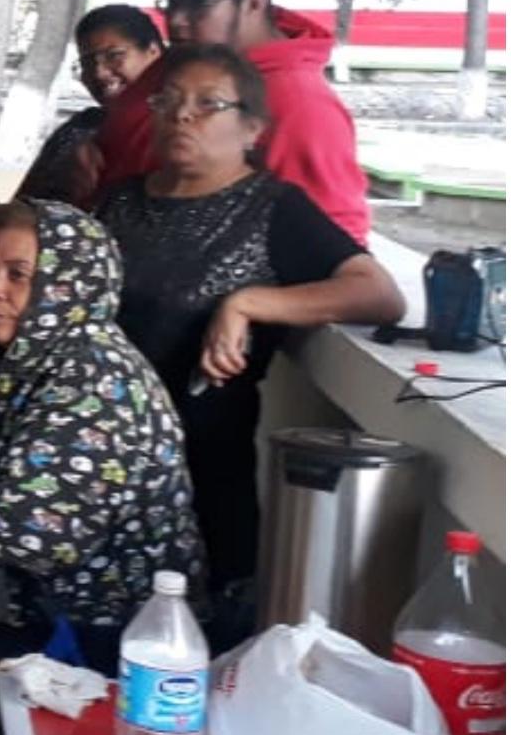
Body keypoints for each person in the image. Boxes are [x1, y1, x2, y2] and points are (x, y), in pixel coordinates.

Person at [94, 44, 402, 604]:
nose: (183, 116)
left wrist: (248, 302)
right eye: (170, 101)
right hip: (92, 474)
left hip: (199, 481)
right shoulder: (116, 203)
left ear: (252, 128)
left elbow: (378, 294)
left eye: (208, 104)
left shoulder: (273, 209)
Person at [0, 202, 204, 667]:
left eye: (18, 274)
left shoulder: (97, 377)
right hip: (19, 618)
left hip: (104, 641)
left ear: (69, 284)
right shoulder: (1, 362)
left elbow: (32, 533)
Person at [142, 0, 375, 243]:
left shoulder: (301, 104)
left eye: (198, 4)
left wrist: (254, 295)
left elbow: (342, 245)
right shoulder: (187, 64)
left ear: (253, 3)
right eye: (171, 2)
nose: (177, 19)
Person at [18, 4, 166, 209]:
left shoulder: (176, 132)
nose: (99, 73)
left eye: (114, 55)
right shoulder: (79, 128)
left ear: (153, 52)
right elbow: (20, 209)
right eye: (88, 62)